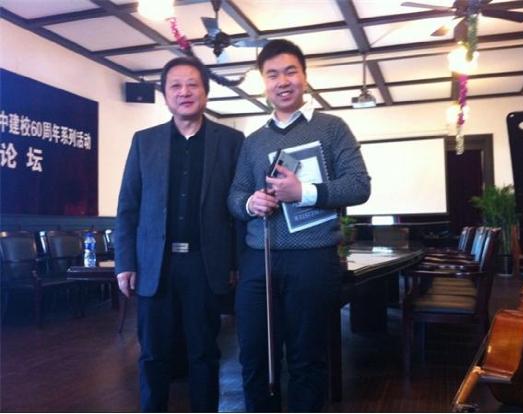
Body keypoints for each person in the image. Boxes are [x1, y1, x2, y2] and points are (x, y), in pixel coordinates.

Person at [227, 39, 371, 412]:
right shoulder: (253, 141)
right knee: (255, 356)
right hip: (259, 261)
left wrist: (302, 192)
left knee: (308, 358)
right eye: (272, 74)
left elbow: (359, 185)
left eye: (290, 71)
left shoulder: (333, 128)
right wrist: (250, 203)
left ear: (304, 77)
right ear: (264, 82)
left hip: (313, 259)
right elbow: (235, 194)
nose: (282, 81)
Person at [115, 56, 244, 412]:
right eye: (175, 85)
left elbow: (238, 208)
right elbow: (127, 207)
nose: (184, 92)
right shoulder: (145, 142)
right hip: (155, 265)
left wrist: (235, 262)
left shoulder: (231, 141)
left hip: (205, 264)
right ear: (165, 94)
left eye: (192, 84)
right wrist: (125, 263)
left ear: (206, 91)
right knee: (153, 353)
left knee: (204, 352)